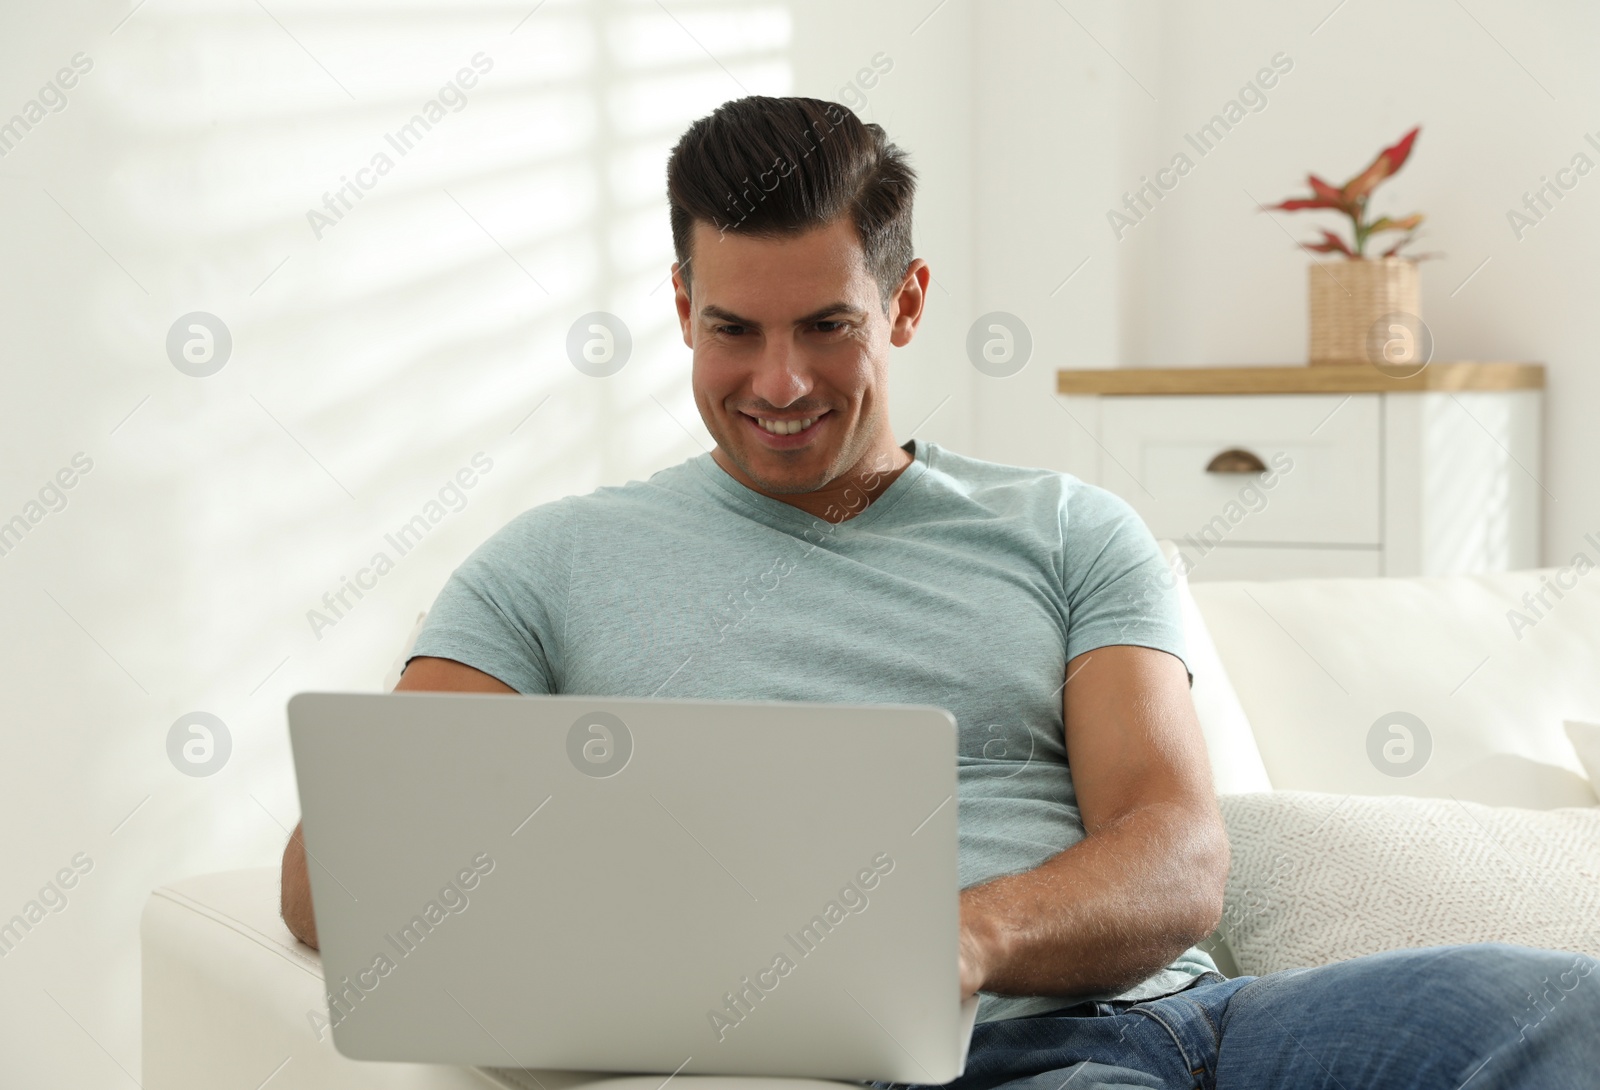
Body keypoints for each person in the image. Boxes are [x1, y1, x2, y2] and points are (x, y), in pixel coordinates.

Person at [281, 95, 1599, 1089]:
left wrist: (961, 933)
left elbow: (1179, 854)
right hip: (962, 1067)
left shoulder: (1071, 529)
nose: (781, 380)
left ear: (904, 306)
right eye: (736, 328)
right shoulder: (548, 566)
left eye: (827, 326)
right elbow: (347, 873)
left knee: (1567, 1008)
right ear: (682, 307)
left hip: (1202, 1019)